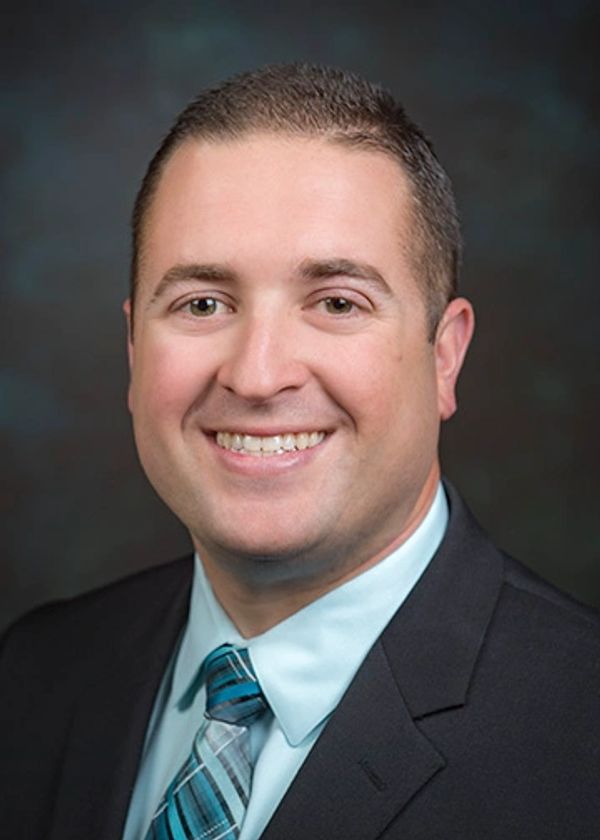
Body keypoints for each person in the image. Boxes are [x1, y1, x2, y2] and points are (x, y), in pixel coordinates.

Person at [1, 64, 599, 840]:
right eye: (203, 303)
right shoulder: (33, 676)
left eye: (337, 302)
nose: (256, 375)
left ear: (444, 358)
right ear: (132, 348)